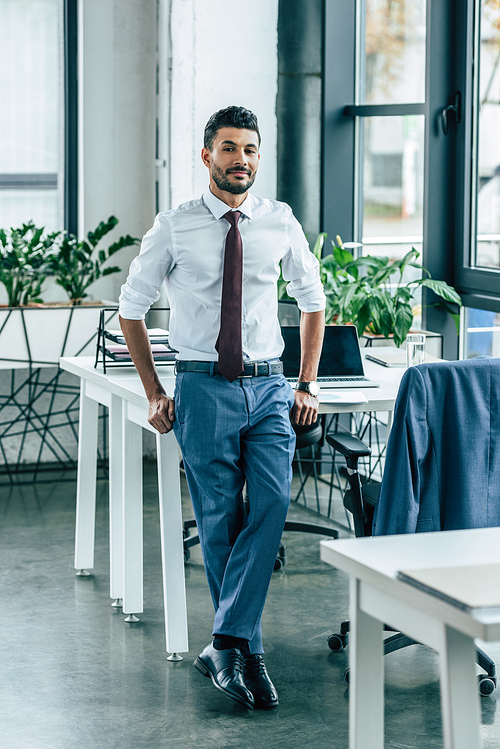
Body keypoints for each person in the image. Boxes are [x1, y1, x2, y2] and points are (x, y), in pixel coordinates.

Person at [118, 105, 325, 710]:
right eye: (229, 148)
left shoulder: (278, 221)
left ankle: (226, 641)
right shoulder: (176, 226)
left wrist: (306, 384)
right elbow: (131, 307)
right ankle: (246, 655)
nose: (241, 160)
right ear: (207, 155)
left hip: (268, 387)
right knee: (219, 521)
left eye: (251, 149)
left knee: (273, 503)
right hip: (204, 386)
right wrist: (155, 391)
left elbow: (312, 300)